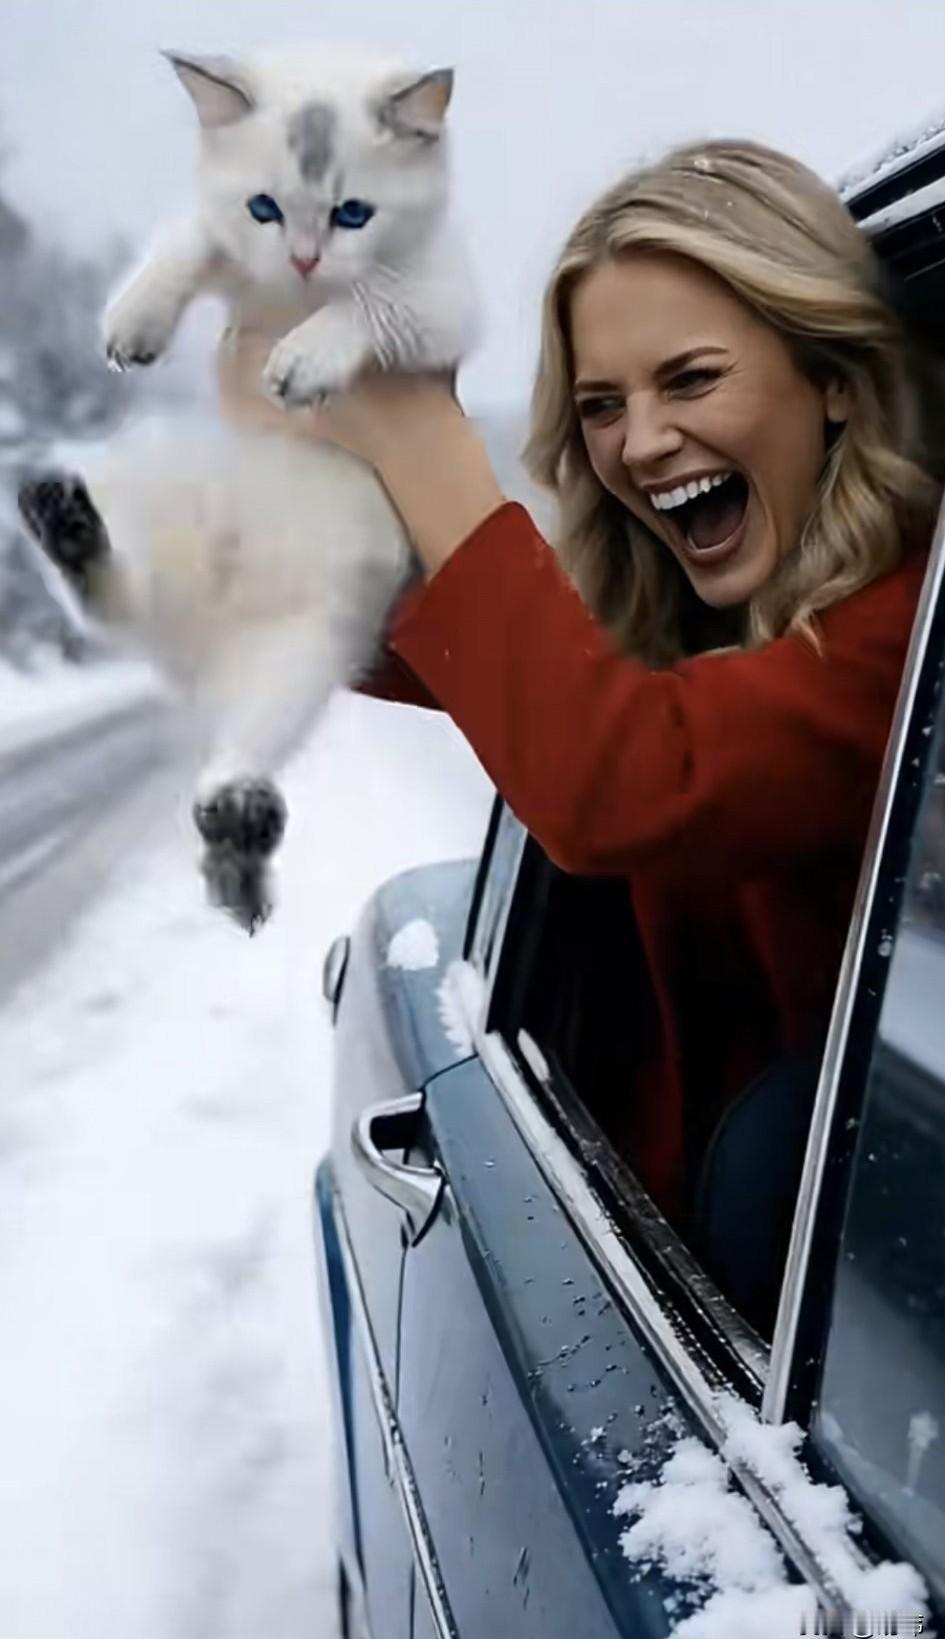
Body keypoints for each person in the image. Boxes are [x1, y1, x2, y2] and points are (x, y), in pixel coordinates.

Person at [218, 138, 942, 1236]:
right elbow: (507, 666)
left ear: (834, 379)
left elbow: (623, 776)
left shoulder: (914, 633)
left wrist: (418, 437)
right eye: (601, 404)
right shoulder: (724, 613)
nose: (641, 443)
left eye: (691, 379)